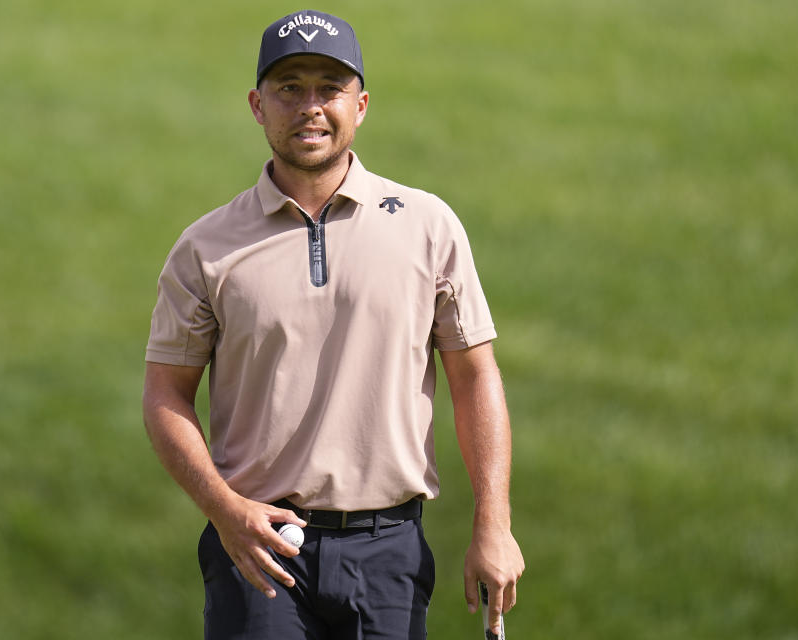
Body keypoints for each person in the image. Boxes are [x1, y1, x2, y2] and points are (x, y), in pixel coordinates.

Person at [142, 10, 525, 639]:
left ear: (362, 104)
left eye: (330, 88)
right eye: (289, 87)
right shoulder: (206, 247)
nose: (310, 106)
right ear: (256, 105)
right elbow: (165, 394)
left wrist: (494, 522)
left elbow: (475, 375)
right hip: (259, 549)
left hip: (389, 550)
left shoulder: (427, 227)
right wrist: (223, 510)